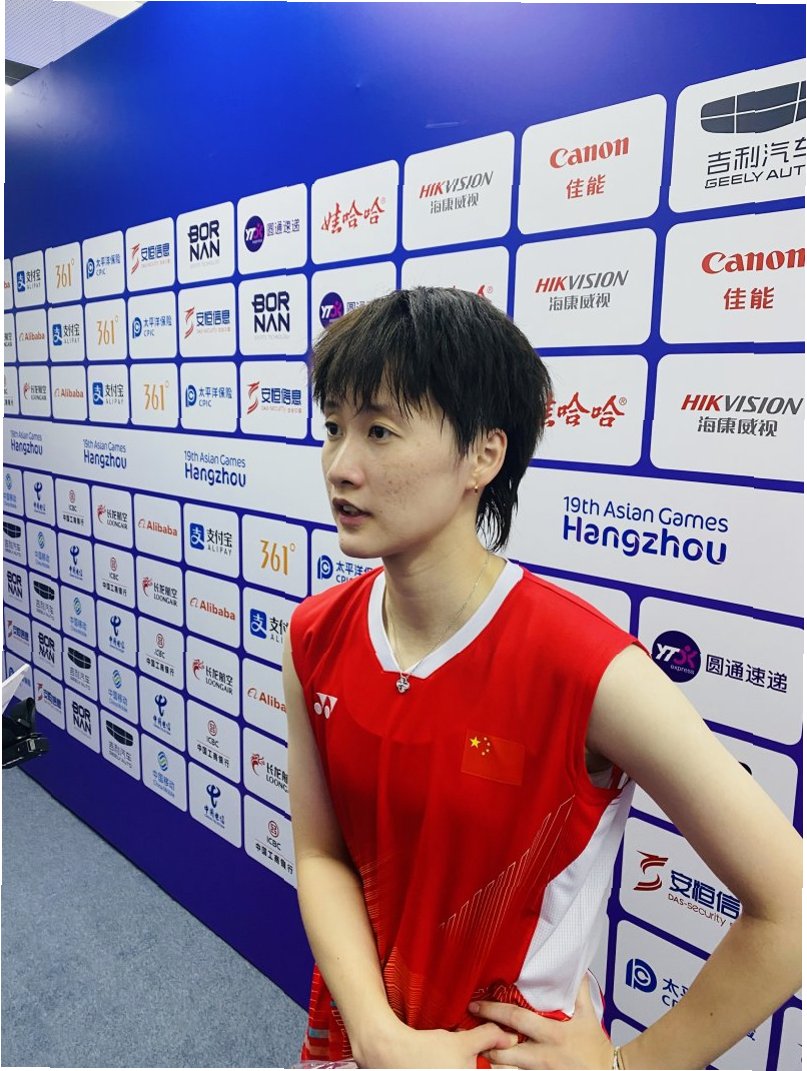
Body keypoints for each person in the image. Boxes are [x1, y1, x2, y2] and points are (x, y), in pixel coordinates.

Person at [282, 287, 801, 1070]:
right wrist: (380, 1036)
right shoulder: (314, 634)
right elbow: (323, 853)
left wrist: (626, 1066)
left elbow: (789, 908)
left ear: (483, 456)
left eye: (379, 431)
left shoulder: (589, 667)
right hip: (357, 1041)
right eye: (333, 428)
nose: (340, 466)